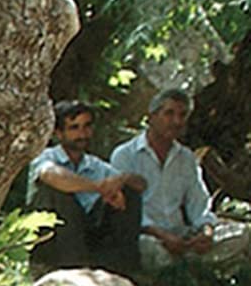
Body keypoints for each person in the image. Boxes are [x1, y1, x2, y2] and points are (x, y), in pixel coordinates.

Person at [110, 87, 251, 274]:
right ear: (151, 117)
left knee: (242, 234)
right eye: (169, 113)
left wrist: (206, 232)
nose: (176, 121)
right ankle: (183, 268)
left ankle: (185, 265)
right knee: (148, 249)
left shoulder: (186, 158)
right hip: (148, 235)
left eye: (182, 115)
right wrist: (162, 235)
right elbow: (122, 209)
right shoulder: (125, 155)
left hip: (182, 236)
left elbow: (198, 204)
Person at [25, 100, 145, 276]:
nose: (82, 134)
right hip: (51, 239)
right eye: (74, 128)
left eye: (86, 126)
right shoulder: (46, 157)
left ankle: (121, 270)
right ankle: (70, 267)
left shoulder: (94, 165)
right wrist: (99, 188)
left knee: (129, 192)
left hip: (86, 235)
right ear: (59, 133)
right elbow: (51, 175)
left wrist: (120, 181)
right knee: (57, 192)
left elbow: (141, 184)